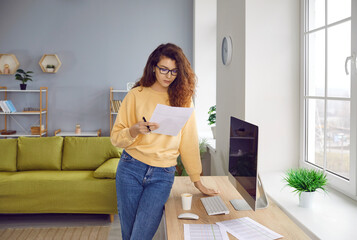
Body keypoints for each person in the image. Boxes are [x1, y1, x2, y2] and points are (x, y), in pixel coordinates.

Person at [111, 43, 218, 240]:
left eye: (174, 71)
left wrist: (197, 180)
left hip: (162, 174)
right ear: (153, 67)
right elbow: (116, 137)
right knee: (129, 235)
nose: (168, 75)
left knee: (140, 235)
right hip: (130, 168)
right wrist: (134, 130)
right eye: (164, 70)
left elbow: (189, 141)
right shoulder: (136, 95)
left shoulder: (184, 99)